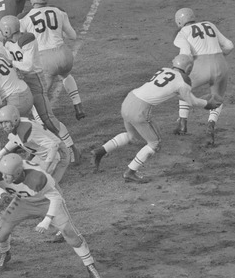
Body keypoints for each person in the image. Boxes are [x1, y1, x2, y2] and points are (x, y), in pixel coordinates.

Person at [91, 54, 218, 183]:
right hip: (140, 110)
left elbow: (170, 92)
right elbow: (191, 101)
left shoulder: (164, 70)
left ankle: (100, 151)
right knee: (155, 143)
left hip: (129, 100)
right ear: (189, 67)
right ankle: (130, 172)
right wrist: (207, 104)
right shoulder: (183, 81)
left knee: (131, 135)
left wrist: (198, 100)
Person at [0, 153, 105, 278]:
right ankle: (5, 253)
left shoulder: (37, 177)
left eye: (7, 175)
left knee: (70, 233)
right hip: (22, 201)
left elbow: (56, 198)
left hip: (46, 201)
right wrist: (1, 193)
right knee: (0, 234)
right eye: (2, 173)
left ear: (18, 173)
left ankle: (90, 266)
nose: (3, 177)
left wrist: (47, 220)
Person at [0, 14, 81, 164]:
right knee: (20, 120)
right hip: (20, 83)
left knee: (47, 119)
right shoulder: (6, 40)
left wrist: (10, 63)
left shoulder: (27, 40)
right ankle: (30, 150)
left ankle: (71, 148)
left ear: (7, 30)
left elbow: (28, 66)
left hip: (34, 80)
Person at [21, 0, 85, 120]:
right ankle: (78, 105)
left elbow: (21, 42)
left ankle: (39, 122)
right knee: (66, 74)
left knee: (41, 93)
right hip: (64, 55)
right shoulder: (59, 12)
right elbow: (73, 36)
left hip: (45, 58)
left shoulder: (26, 19)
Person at [172, 7, 234, 145]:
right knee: (217, 97)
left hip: (200, 66)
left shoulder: (183, 32)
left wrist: (182, 70)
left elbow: (186, 54)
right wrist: (220, 57)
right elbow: (229, 45)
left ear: (179, 22)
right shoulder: (210, 24)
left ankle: (182, 123)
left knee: (182, 87)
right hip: (221, 64)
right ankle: (211, 124)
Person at [0, 104, 69, 184]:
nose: (4, 126)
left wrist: (46, 165)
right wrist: (0, 154)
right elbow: (15, 139)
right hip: (43, 154)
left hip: (59, 154)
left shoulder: (28, 130)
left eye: (6, 122)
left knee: (43, 185)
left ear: (15, 119)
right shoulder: (19, 126)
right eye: (2, 123)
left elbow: (54, 146)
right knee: (22, 175)